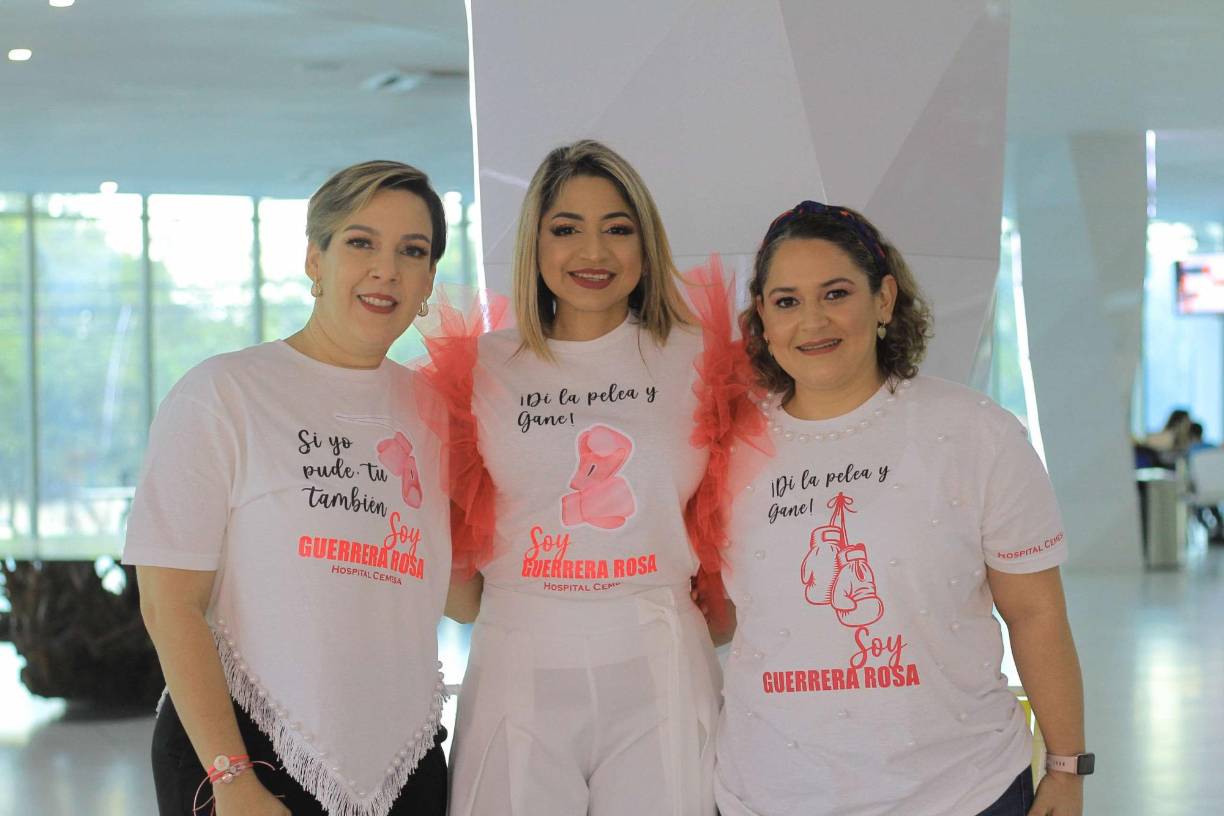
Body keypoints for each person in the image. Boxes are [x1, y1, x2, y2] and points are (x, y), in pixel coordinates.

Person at [712, 201, 1090, 816]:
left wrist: (1068, 768)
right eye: (786, 301)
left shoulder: (976, 433)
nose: (812, 320)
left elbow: (1035, 614)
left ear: (884, 299)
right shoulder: (724, 448)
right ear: (762, 317)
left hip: (963, 791)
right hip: (767, 793)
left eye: (836, 293)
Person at [423, 140, 754, 815]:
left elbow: (741, 520)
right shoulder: (483, 367)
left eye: (617, 229)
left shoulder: (701, 359)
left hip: (660, 658)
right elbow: (446, 550)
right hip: (519, 656)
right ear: (535, 245)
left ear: (646, 242)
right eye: (566, 229)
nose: (593, 252)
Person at [125, 161, 453, 816]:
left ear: (427, 283)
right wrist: (231, 777)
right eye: (361, 242)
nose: (385, 268)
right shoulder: (224, 393)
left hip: (402, 760)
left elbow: (461, 592)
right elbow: (169, 605)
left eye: (411, 251)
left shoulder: (438, 413)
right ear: (315, 259)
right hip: (246, 756)